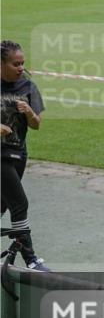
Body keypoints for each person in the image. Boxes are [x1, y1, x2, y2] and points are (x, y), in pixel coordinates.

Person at [1, 40, 49, 271]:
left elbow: (37, 124)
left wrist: (30, 112)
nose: (21, 67)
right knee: (19, 203)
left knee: (1, 204)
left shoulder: (28, 87)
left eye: (23, 63)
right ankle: (30, 259)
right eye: (15, 63)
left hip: (18, 154)